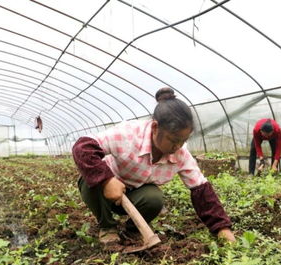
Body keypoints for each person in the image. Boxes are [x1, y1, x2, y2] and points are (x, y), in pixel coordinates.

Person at [72, 87, 236, 248]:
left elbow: (201, 189)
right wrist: (107, 180)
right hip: (105, 193)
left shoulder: (181, 155)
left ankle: (133, 229)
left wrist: (222, 228)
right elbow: (82, 147)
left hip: (134, 194)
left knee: (154, 198)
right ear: (155, 128)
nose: (178, 146)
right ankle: (107, 226)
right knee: (88, 181)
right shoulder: (128, 134)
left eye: (183, 140)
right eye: (173, 140)